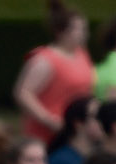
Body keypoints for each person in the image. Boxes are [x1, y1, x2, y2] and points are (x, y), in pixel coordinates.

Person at [15, 2, 95, 140]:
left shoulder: (82, 54)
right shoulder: (45, 60)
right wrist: (48, 119)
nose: (84, 34)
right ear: (60, 32)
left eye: (85, 29)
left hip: (75, 132)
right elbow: (23, 93)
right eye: (79, 29)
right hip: (48, 134)